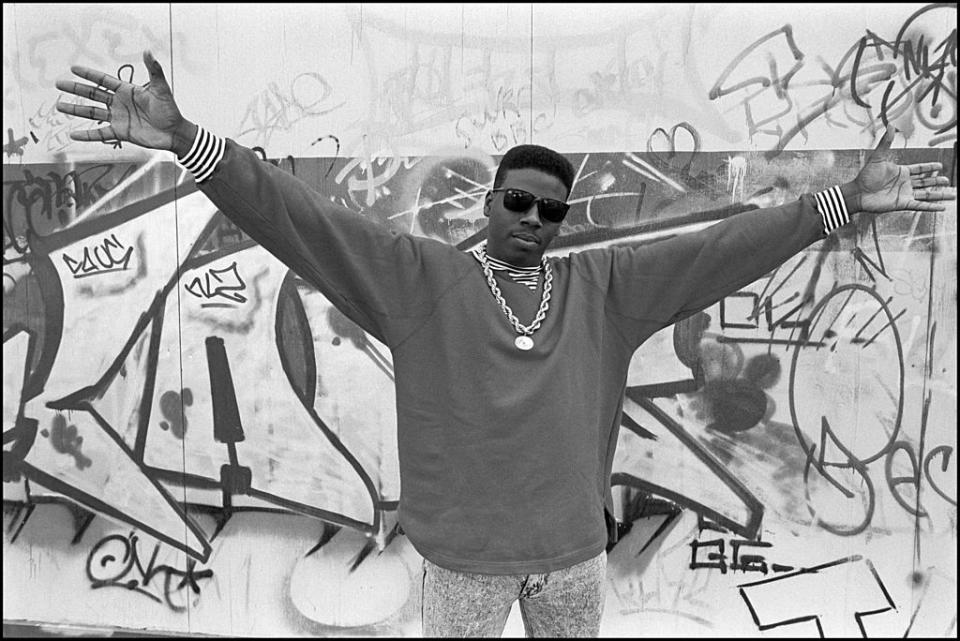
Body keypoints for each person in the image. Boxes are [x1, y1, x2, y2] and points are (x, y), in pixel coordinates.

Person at [55, 51, 954, 638]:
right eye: (516, 201)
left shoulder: (601, 292)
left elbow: (717, 252)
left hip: (570, 558)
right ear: (489, 203)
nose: (531, 218)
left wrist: (833, 207)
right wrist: (185, 142)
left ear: (563, 223)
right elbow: (301, 220)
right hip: (463, 568)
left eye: (550, 210)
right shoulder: (421, 282)